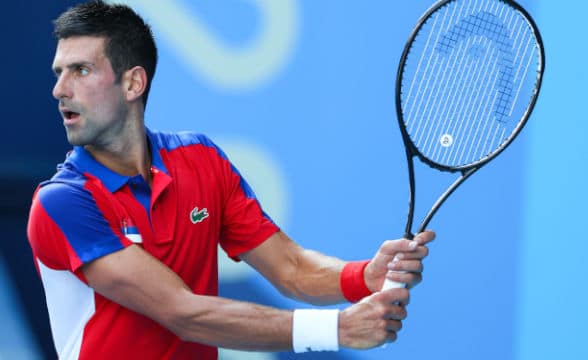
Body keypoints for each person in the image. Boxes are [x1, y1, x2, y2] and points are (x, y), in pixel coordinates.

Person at [26, 1, 435, 359]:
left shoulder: (201, 160)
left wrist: (361, 277)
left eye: (80, 70)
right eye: (59, 72)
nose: (59, 89)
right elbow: (184, 313)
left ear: (133, 82)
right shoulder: (62, 203)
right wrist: (336, 329)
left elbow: (289, 267)